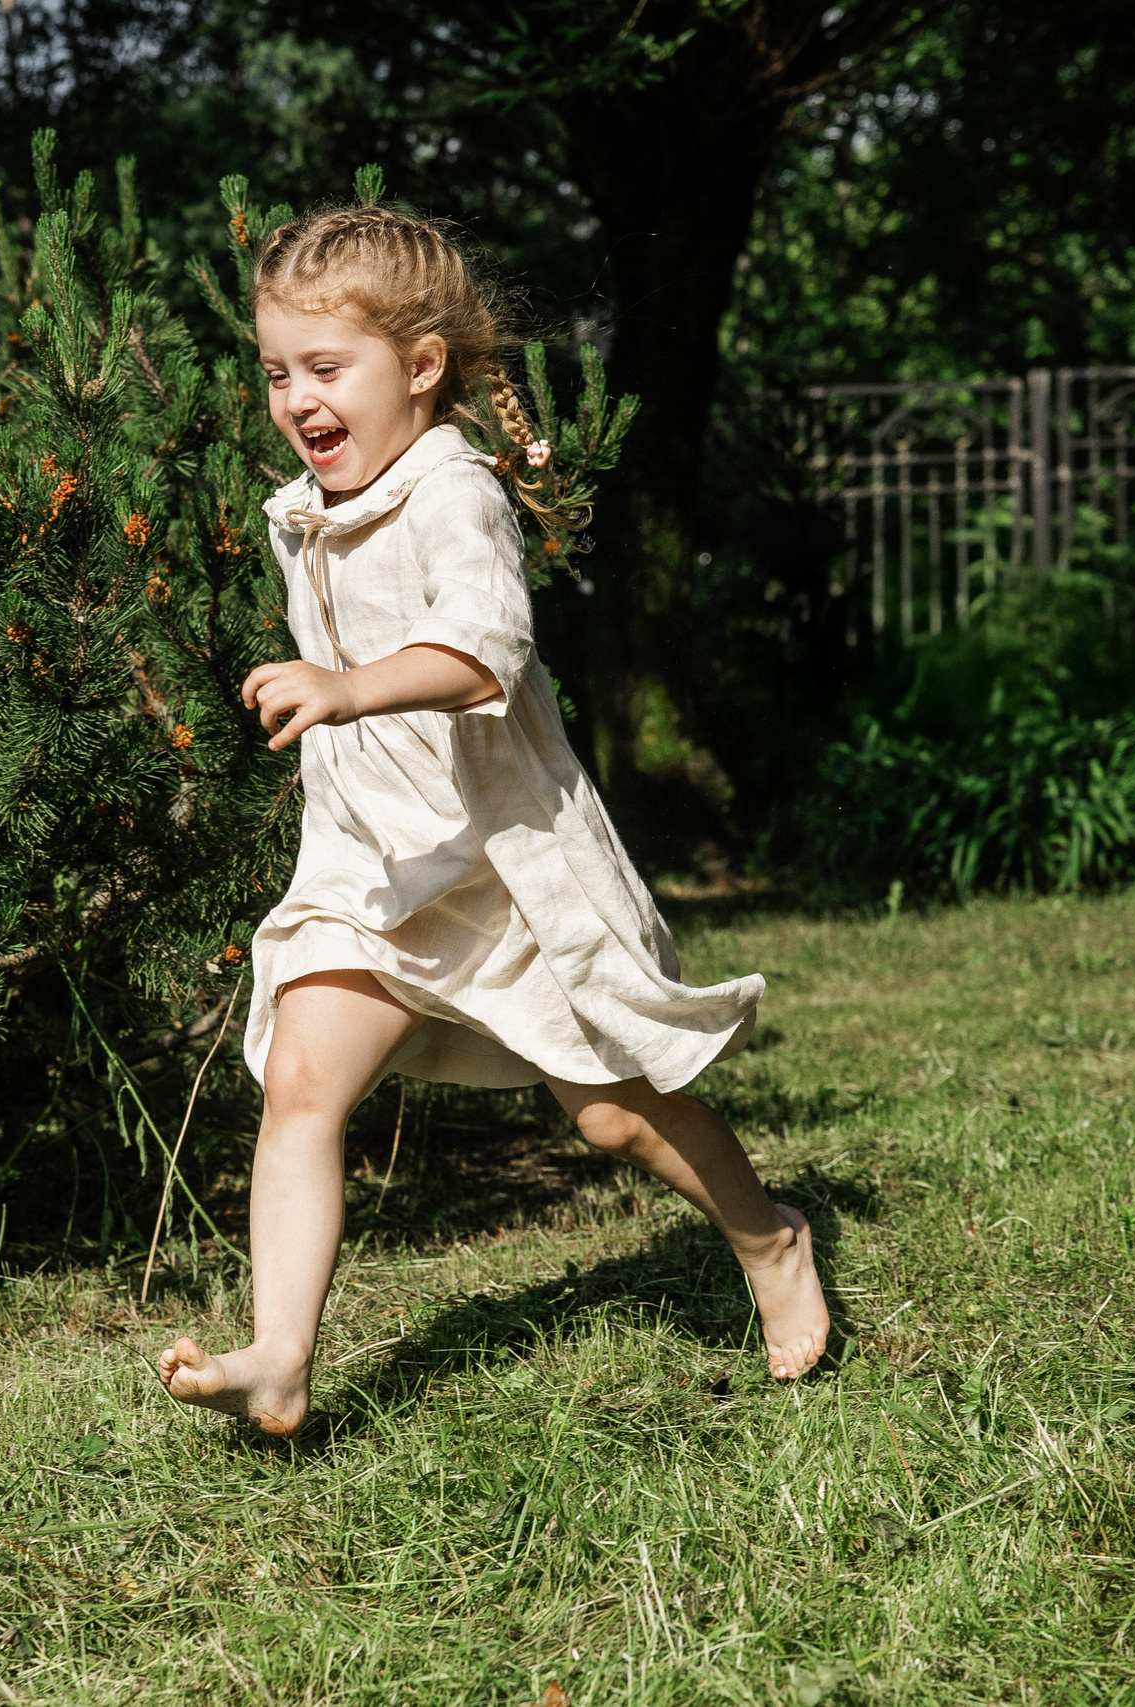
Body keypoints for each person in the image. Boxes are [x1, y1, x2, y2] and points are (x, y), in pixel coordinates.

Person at [156, 206, 831, 1436]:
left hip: (505, 866)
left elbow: (482, 655)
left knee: (617, 1113)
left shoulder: (453, 490)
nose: (296, 399)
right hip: (368, 868)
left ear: (420, 368)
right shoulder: (301, 507)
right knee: (302, 1080)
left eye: (324, 369)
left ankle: (768, 1235)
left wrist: (348, 688)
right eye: (274, 373)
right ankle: (280, 1356)